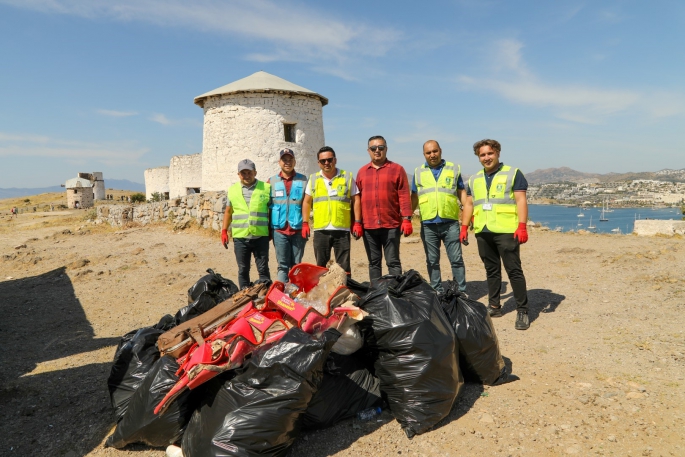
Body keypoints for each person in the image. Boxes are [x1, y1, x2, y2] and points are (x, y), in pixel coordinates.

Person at [461, 139, 530, 330]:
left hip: (507, 230)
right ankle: (494, 306)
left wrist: (522, 226)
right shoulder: (474, 179)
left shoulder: (513, 173)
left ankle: (522, 310)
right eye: (482, 155)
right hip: (483, 230)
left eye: (489, 153)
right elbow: (468, 204)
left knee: (513, 270)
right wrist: (464, 227)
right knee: (491, 271)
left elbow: (521, 200)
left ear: (497, 153)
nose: (486, 158)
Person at [411, 140, 468, 294]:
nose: (432, 155)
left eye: (435, 151)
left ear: (440, 151)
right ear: (424, 154)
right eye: (428, 152)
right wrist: (407, 218)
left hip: (450, 223)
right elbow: (414, 197)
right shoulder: (418, 172)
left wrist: (469, 213)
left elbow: (461, 192)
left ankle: (460, 292)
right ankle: (436, 291)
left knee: (456, 259)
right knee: (432, 261)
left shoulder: (453, 169)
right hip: (428, 224)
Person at [356, 135, 413, 281]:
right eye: (373, 148)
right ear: (368, 150)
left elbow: (404, 195)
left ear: (386, 149)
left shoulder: (397, 169)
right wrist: (356, 222)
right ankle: (377, 295)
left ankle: (395, 294)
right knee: (374, 263)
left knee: (393, 262)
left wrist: (406, 219)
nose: (377, 151)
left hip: (391, 225)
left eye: (381, 148)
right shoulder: (362, 172)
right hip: (369, 226)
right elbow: (356, 199)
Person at [301, 146, 360, 275]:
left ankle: (345, 292)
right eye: (323, 161)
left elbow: (356, 199)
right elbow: (306, 201)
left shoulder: (347, 177)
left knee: (344, 267)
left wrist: (357, 222)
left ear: (335, 160)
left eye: (329, 159)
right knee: (321, 267)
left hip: (341, 229)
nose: (326, 163)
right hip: (321, 230)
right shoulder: (313, 179)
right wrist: (305, 223)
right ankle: (324, 293)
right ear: (318, 163)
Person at [221, 159, 272, 289]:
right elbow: (228, 212)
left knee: (263, 269)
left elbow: (271, 211)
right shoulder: (232, 190)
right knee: (243, 269)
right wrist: (224, 231)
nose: (246, 176)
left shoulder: (266, 188)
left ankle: (265, 297)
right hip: (240, 237)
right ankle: (244, 298)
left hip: (260, 236)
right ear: (238, 174)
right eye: (243, 173)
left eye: (249, 172)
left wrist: (272, 230)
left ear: (255, 172)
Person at [268, 148, 308, 283]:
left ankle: (296, 296)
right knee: (282, 266)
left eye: (290, 160)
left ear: (295, 161)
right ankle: (282, 297)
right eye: (284, 160)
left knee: (296, 265)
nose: (287, 162)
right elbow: (267, 206)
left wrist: (306, 224)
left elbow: (307, 204)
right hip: (279, 230)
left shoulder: (303, 180)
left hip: (298, 229)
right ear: (279, 162)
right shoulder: (271, 182)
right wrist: (268, 230)